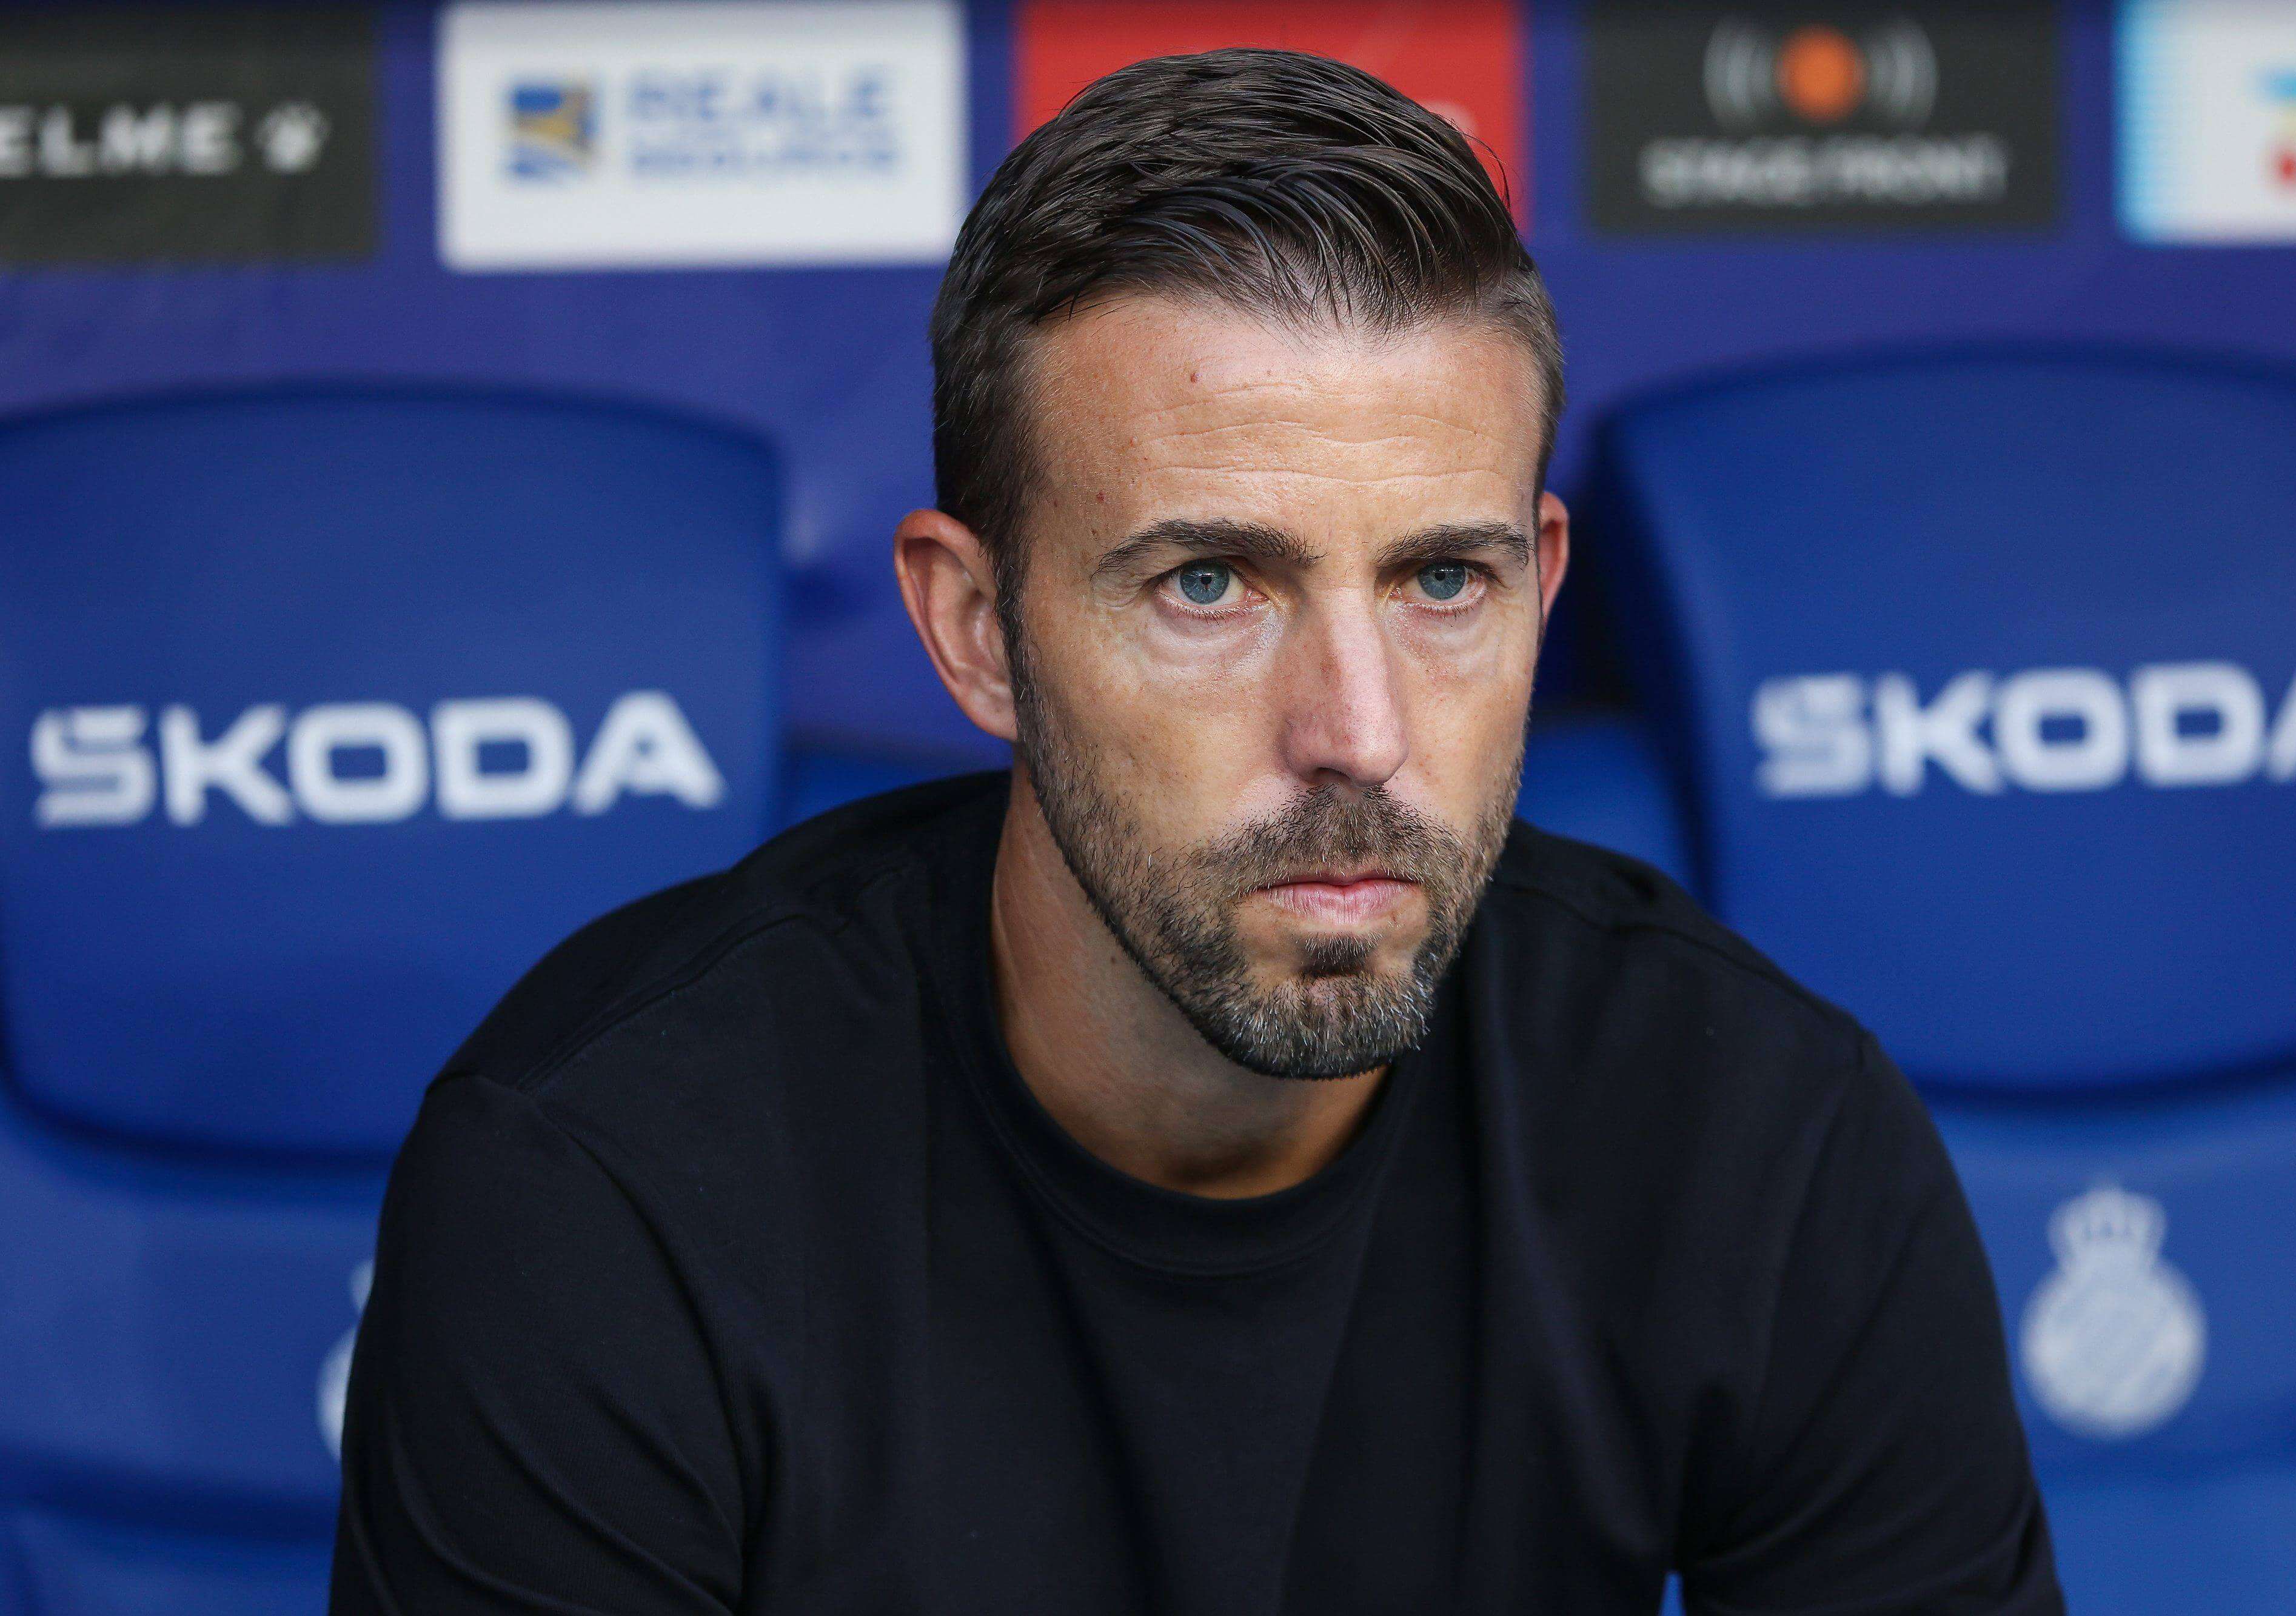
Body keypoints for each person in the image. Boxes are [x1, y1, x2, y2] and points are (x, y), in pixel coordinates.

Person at [330, 47, 2061, 1615]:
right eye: (1212, 583)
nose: (1358, 737)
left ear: (1543, 586)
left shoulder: (1760, 1133)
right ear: (976, 629)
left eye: (1441, 581)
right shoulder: (606, 1178)